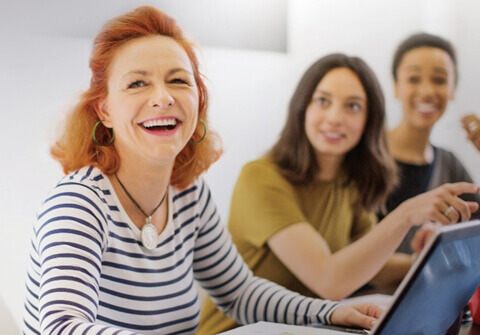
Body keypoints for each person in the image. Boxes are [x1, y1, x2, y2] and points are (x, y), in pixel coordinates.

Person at [22, 6, 387, 335]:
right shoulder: (78, 203)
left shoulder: (189, 196)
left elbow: (240, 293)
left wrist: (330, 313)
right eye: (137, 83)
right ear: (104, 111)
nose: (163, 97)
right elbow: (63, 325)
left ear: (198, 100)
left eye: (179, 80)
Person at [198, 54, 480, 334]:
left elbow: (372, 267)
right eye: (323, 101)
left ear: (369, 120)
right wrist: (406, 214)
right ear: (302, 107)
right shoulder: (260, 178)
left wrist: (424, 260)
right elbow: (329, 280)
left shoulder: (349, 182)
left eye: (353, 107)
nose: (335, 118)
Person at [383, 33, 480, 253]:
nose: (427, 92)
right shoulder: (366, 156)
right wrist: (422, 262)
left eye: (439, 80)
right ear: (396, 87)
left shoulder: (450, 164)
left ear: (452, 89)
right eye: (414, 78)